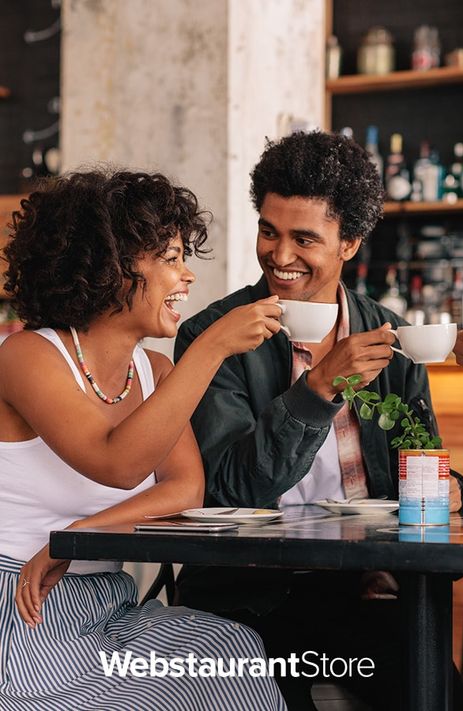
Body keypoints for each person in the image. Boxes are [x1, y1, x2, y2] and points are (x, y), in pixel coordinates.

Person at [174, 131, 463, 710]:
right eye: (269, 231)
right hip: (253, 593)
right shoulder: (213, 336)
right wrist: (315, 391)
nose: (280, 256)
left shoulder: (392, 340)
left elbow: (425, 475)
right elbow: (225, 492)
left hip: (368, 588)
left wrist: (443, 493)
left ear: (350, 243)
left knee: (438, 697)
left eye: (304, 238)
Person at [0, 170, 287, 711]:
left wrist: (78, 535)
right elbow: (119, 465)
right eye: (173, 258)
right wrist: (212, 348)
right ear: (117, 264)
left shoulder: (153, 369)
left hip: (104, 602)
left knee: (232, 648)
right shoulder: (27, 357)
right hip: (20, 610)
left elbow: (185, 492)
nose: (187, 277)